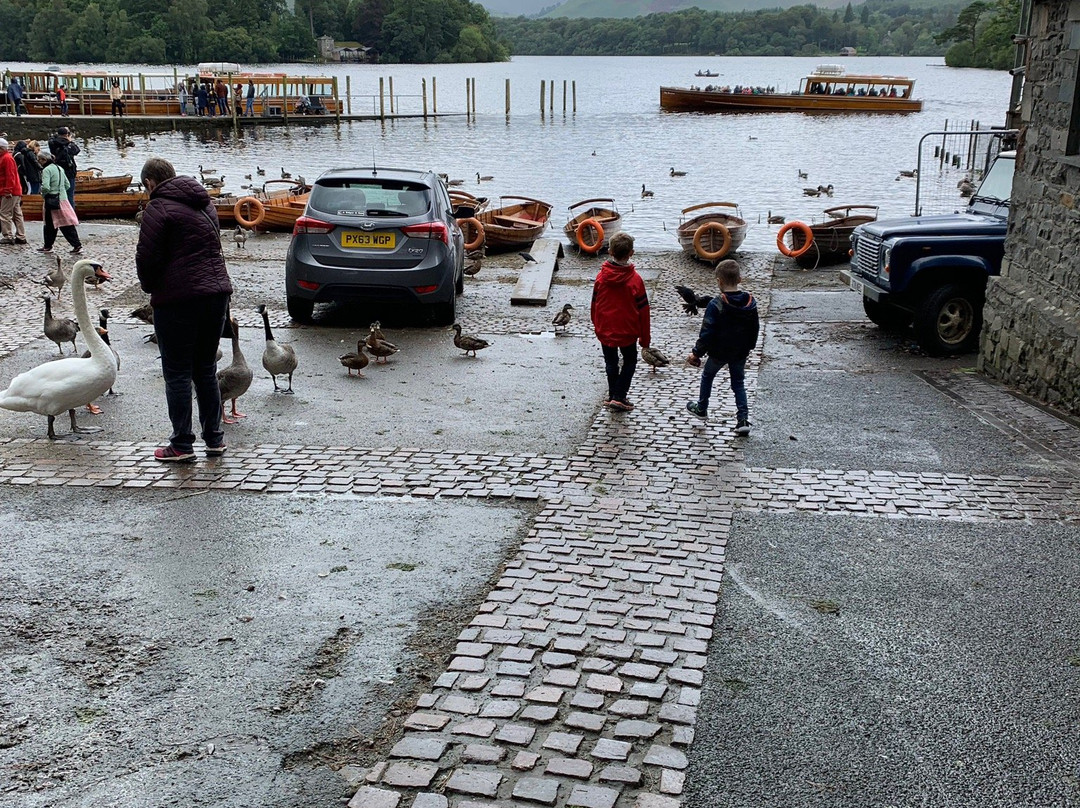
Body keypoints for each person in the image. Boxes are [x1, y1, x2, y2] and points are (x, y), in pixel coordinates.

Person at [135, 157, 233, 462]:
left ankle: (181, 444)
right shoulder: (206, 205)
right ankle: (214, 440)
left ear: (150, 183)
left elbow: (147, 258)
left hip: (178, 299)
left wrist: (151, 287)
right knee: (205, 369)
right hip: (216, 293)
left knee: (177, 372)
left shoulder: (158, 208)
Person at [685, 259, 760, 436]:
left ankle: (702, 408)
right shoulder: (751, 303)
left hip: (718, 352)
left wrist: (696, 353)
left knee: (708, 375)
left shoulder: (716, 304)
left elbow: (707, 332)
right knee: (738, 383)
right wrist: (750, 346)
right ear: (740, 279)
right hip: (740, 352)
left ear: (719, 281)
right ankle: (742, 419)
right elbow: (754, 328)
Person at [590, 231, 651, 412]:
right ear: (631, 253)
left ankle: (612, 394)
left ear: (609, 251)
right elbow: (644, 311)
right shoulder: (635, 280)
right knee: (630, 361)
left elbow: (594, 304)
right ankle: (619, 396)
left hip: (606, 329)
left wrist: (597, 324)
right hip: (628, 331)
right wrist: (645, 338)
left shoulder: (601, 278)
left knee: (611, 363)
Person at [37, 153, 82, 255]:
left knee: (50, 224)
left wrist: (43, 194)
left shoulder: (46, 170)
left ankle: (48, 246)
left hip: (52, 200)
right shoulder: (59, 168)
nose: (38, 162)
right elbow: (67, 185)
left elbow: (46, 187)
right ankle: (76, 245)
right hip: (63, 199)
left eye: (39, 160)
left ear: (44, 160)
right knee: (65, 223)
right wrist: (61, 192)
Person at [0, 138, 27, 245]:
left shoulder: (6, 158)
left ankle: (8, 235)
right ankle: (21, 236)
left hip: (9, 191)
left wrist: (8, 190)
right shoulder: (7, 157)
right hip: (15, 190)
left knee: (4, 213)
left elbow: (10, 176)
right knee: (17, 214)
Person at [48, 126, 79, 205]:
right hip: (69, 171)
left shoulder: (52, 143)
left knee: (58, 193)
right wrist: (70, 141)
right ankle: (71, 212)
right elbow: (76, 150)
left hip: (57, 170)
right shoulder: (68, 144)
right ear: (66, 135)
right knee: (70, 194)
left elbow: (52, 139)